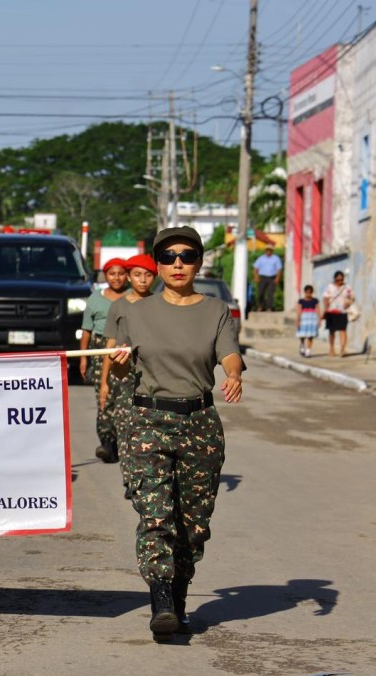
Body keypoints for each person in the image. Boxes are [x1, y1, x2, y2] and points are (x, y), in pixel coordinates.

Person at [109, 226, 243, 643]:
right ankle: (162, 603)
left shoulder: (215, 310)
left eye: (187, 255)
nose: (178, 263)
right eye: (168, 257)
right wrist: (117, 361)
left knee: (193, 524)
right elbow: (119, 365)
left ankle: (179, 601)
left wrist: (234, 375)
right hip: (147, 421)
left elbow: (230, 355)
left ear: (199, 262)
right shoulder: (133, 312)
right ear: (157, 264)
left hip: (199, 424)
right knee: (156, 514)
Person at [99, 254, 157, 470]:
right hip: (126, 374)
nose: (142, 280)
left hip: (154, 375)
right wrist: (104, 382)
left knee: (150, 428)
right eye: (137, 275)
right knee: (124, 426)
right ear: (129, 277)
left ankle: (147, 474)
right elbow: (111, 346)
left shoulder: (159, 305)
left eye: (148, 275)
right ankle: (130, 478)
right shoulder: (118, 306)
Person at [80, 258, 129, 463]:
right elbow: (86, 330)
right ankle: (107, 441)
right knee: (104, 396)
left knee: (125, 396)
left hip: (125, 347)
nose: (116, 278)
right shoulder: (94, 300)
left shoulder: (133, 297)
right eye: (112, 274)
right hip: (100, 350)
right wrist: (83, 357)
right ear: (105, 276)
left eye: (120, 273)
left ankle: (123, 442)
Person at [322, 270, 355, 357]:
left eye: (341, 280)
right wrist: (325, 309)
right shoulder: (329, 287)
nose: (340, 282)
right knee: (331, 331)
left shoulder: (347, 287)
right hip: (331, 311)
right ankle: (332, 349)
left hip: (342, 311)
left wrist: (349, 302)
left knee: (343, 330)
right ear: (335, 279)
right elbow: (325, 298)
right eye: (338, 280)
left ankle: (342, 349)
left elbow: (352, 297)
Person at [252, 245, 283, 312]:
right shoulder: (261, 258)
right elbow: (255, 268)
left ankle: (269, 307)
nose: (268, 251)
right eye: (267, 250)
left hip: (272, 278)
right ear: (265, 251)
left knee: (270, 293)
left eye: (270, 250)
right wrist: (256, 277)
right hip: (263, 277)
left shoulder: (276, 258)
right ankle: (260, 306)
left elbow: (279, 269)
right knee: (260, 292)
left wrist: (277, 278)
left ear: (272, 251)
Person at [296, 284, 322, 358]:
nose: (308, 294)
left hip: (312, 319)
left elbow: (317, 309)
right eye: (307, 292)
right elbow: (299, 310)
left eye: (310, 292)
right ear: (305, 292)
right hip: (304, 318)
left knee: (311, 335)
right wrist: (298, 320)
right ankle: (302, 344)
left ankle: (308, 350)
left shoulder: (315, 301)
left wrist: (319, 319)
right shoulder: (301, 301)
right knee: (302, 334)